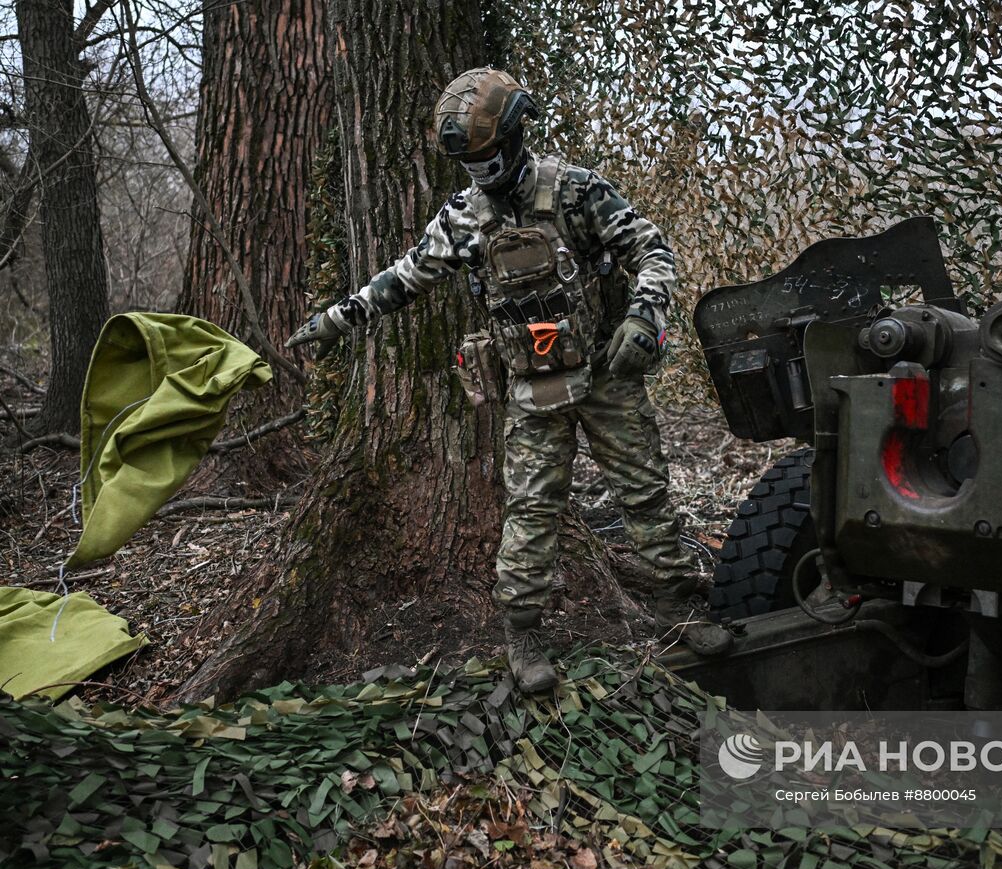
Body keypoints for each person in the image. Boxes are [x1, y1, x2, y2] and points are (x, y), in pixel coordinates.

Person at [286, 67, 734, 693]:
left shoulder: (575, 191)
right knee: (531, 510)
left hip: (607, 370)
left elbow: (652, 250)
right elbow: (407, 276)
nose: (483, 171)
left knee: (646, 493)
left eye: (490, 155)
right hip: (534, 388)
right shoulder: (466, 219)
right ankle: (523, 633)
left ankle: (680, 607)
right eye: (471, 162)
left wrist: (644, 312)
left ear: (517, 136)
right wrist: (339, 317)